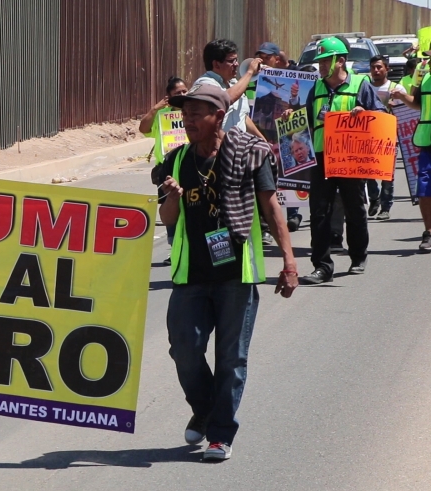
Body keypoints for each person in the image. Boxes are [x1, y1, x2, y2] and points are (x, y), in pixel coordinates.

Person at [157, 84, 298, 461]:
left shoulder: (250, 154)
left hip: (237, 273)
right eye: (184, 114)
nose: (187, 121)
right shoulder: (176, 160)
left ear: (218, 116)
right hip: (191, 275)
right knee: (184, 348)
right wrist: (172, 196)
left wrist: (288, 261)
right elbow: (167, 219)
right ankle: (204, 410)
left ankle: (220, 434)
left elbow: (271, 210)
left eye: (195, 114)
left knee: (231, 359)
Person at [299, 37, 386, 285]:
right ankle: (322, 266)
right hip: (322, 157)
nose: (321, 66)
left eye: (326, 60)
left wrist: (365, 112)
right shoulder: (315, 88)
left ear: (341, 61)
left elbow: (380, 114)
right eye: (320, 61)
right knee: (319, 212)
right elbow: (305, 121)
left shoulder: (361, 84)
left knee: (355, 208)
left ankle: (358, 256)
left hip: (350, 158)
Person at [195, 39, 275, 246]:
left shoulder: (233, 84)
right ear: (216, 64)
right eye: (231, 61)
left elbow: (243, 117)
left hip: (239, 157)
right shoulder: (205, 84)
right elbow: (224, 100)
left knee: (246, 207)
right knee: (222, 210)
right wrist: (248, 73)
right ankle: (220, 256)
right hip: (218, 159)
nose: (235, 65)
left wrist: (262, 141)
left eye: (236, 61)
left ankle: (248, 243)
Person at [143, 77, 189, 266]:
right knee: (170, 208)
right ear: (168, 96)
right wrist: (155, 109)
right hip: (167, 170)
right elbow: (143, 128)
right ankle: (175, 249)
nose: (183, 95)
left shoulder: (192, 112)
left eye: (185, 91)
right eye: (178, 93)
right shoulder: (162, 117)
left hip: (189, 165)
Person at [390, 58, 431, 252]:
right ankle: (429, 232)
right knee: (423, 188)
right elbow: (418, 104)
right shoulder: (425, 76)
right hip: (427, 141)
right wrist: (402, 96)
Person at [365, 55, 405, 221]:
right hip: (367, 138)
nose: (376, 70)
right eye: (373, 67)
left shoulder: (397, 89)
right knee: (367, 172)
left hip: (389, 139)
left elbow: (407, 113)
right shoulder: (365, 88)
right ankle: (374, 198)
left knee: (387, 174)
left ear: (387, 69)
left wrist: (397, 105)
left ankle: (385, 207)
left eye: (379, 67)